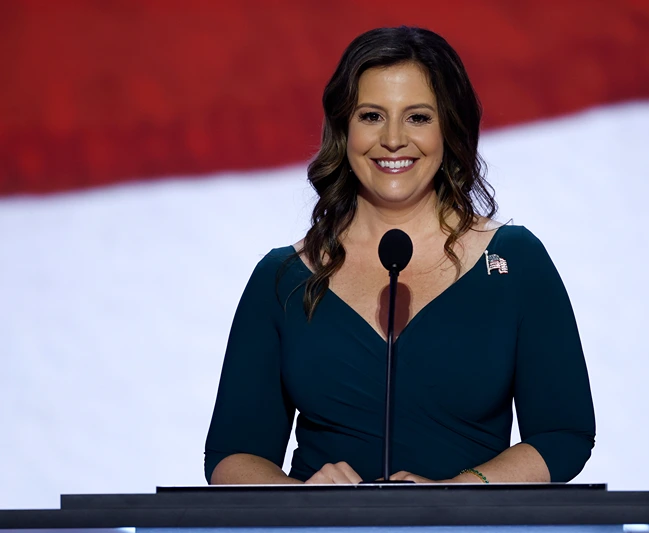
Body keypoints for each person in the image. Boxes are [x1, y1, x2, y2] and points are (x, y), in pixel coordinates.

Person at [204, 26, 595, 485]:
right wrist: (301, 498)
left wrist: (461, 492)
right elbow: (233, 455)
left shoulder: (514, 262)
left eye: (418, 118)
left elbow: (562, 435)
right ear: (343, 128)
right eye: (371, 115)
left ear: (449, 128)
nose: (393, 139)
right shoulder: (283, 277)